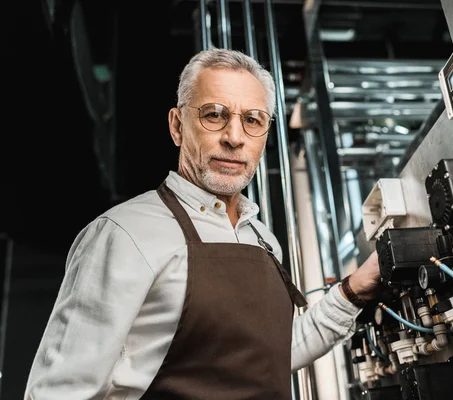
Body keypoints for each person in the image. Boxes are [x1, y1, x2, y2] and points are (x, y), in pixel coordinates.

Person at [24, 48, 382, 400]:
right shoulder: (123, 234)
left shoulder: (261, 238)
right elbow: (60, 391)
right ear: (177, 126)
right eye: (214, 115)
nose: (234, 137)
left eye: (253, 120)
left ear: (264, 136)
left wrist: (353, 291)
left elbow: (265, 359)